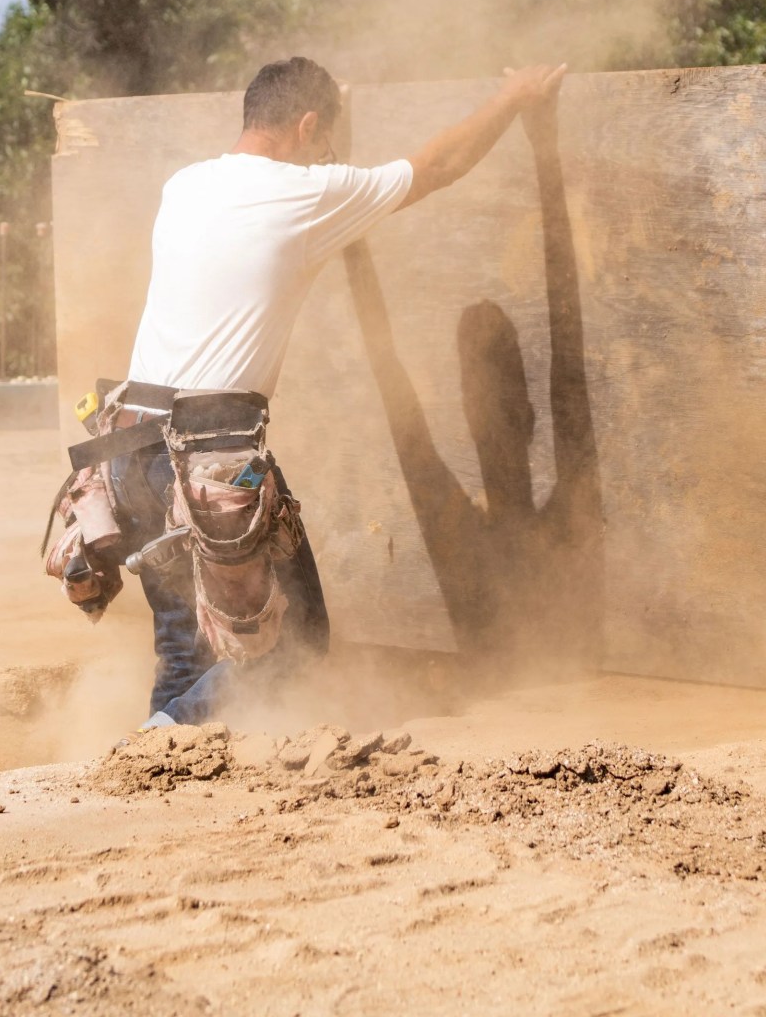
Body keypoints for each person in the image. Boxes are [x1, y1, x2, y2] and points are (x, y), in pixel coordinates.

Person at [62, 55, 566, 728]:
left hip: (128, 450)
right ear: (305, 125)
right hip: (209, 459)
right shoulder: (305, 196)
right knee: (292, 647)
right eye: (323, 142)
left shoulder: (183, 186)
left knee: (187, 654)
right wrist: (514, 98)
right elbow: (438, 167)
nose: (326, 158)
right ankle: (160, 739)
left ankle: (159, 784)